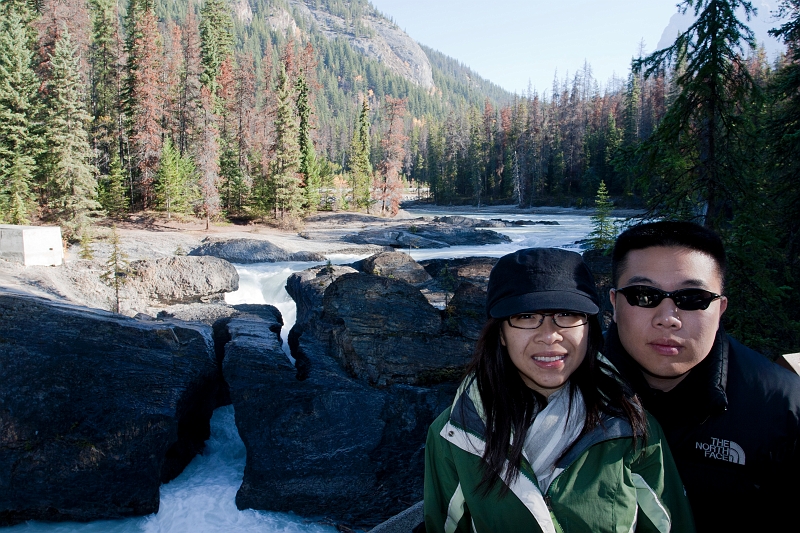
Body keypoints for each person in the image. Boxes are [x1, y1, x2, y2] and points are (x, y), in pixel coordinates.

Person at [422, 248, 694, 533]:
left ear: (589, 328)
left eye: (567, 314)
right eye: (526, 316)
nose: (549, 335)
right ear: (501, 333)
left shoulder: (631, 427)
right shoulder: (455, 435)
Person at [603, 221, 800, 531]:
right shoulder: (565, 387)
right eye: (643, 295)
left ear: (720, 309)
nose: (667, 319)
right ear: (614, 304)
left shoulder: (782, 409)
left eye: (692, 298)